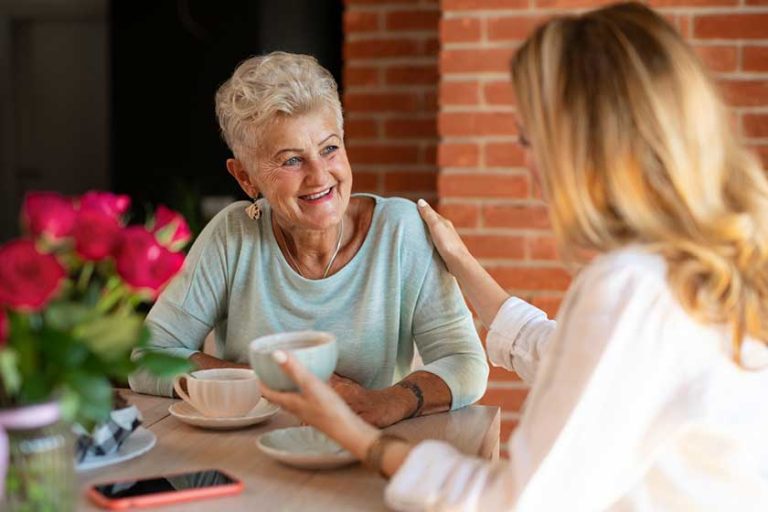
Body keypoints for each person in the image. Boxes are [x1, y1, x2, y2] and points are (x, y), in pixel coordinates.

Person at [260, 3, 768, 510]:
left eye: (529, 138)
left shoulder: (632, 285)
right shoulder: (696, 262)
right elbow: (574, 360)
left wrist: (356, 436)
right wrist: (460, 260)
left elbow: (513, 501)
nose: (528, 163)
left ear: (584, 145)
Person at [128, 52, 489, 428]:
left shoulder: (400, 231)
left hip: (357, 455)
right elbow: (148, 359)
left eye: (330, 148)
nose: (320, 176)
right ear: (246, 178)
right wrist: (278, 384)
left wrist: (390, 402)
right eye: (291, 161)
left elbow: (465, 362)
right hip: (245, 459)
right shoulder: (232, 235)